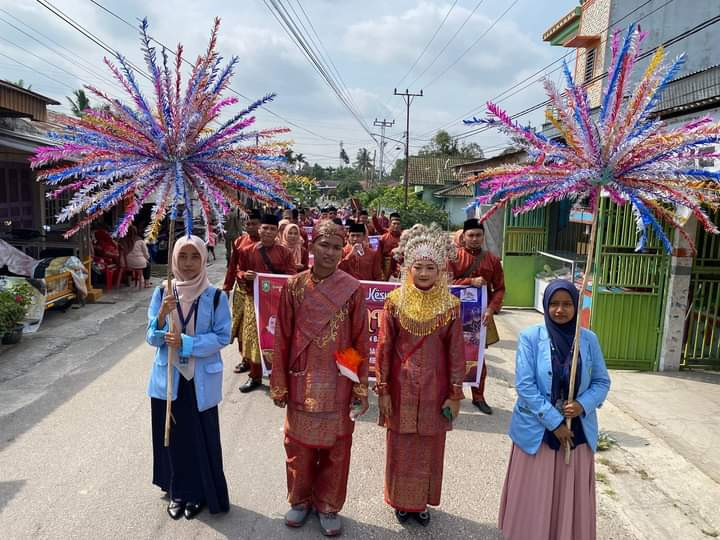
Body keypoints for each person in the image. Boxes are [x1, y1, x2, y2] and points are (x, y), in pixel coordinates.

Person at [270, 220, 369, 537]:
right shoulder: (294, 287)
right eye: (324, 245)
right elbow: (282, 338)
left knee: (336, 448)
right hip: (301, 378)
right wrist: (279, 382)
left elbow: (358, 341)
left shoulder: (353, 290)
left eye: (337, 247)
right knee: (299, 446)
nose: (330, 252)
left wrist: (358, 386)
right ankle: (299, 500)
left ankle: (328, 504)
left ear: (344, 251)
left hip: (338, 382)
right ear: (311, 246)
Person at [498, 280, 610, 540]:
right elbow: (525, 385)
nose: (561, 310)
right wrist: (554, 422)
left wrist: (583, 404)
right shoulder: (530, 337)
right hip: (538, 433)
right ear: (546, 305)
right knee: (536, 494)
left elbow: (602, 381)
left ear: (576, 306)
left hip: (576, 432)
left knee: (568, 494)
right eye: (555, 304)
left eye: (567, 304)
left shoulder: (589, 339)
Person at [374, 223, 465, 527]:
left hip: (435, 391)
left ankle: (422, 502)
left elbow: (456, 354)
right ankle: (400, 501)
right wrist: (383, 390)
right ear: (408, 269)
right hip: (400, 389)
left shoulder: (450, 307)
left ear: (441, 270)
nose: (424, 273)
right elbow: (384, 349)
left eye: (431, 267)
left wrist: (455, 394)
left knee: (430, 447)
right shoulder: (395, 303)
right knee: (400, 446)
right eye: (419, 267)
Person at [146, 235, 232, 520]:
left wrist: (186, 343)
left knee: (199, 438)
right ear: (174, 259)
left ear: (204, 258)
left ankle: (198, 493)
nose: (189, 263)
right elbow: (151, 337)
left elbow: (222, 336)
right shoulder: (163, 292)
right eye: (182, 256)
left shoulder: (216, 296)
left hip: (200, 380)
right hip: (168, 379)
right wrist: (161, 316)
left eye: (195, 256)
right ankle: (177, 491)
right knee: (172, 438)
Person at [236, 214, 297, 393]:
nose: (268, 232)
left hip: (276, 304)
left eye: (272, 229)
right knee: (254, 340)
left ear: (277, 231)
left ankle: (276, 377)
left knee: (275, 340)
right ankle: (255, 376)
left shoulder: (284, 252)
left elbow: (292, 275)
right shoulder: (247, 251)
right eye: (265, 228)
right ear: (259, 229)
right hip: (253, 301)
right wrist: (243, 276)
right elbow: (239, 270)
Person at [450, 218, 505, 415]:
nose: (474, 239)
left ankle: (479, 396)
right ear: (463, 236)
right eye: (470, 235)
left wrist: (491, 309)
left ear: (483, 237)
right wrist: (469, 280)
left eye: (478, 235)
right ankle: (449, 393)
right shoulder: (454, 258)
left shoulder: (492, 260)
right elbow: (444, 282)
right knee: (449, 354)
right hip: (453, 316)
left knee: (479, 357)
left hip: (479, 318)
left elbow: (500, 289)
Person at [223, 210, 262, 375]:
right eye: (248, 224)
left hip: (261, 293)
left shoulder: (268, 244)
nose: (251, 227)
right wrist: (227, 286)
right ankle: (245, 359)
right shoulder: (239, 242)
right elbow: (232, 266)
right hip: (241, 290)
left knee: (258, 328)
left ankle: (260, 363)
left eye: (254, 224)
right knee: (240, 326)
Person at [378, 213, 402, 281]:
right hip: (386, 265)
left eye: (398, 224)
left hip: (399, 266)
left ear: (401, 226)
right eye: (394, 224)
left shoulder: (404, 238)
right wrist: (380, 271)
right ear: (390, 224)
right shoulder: (383, 238)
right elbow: (379, 256)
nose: (396, 226)